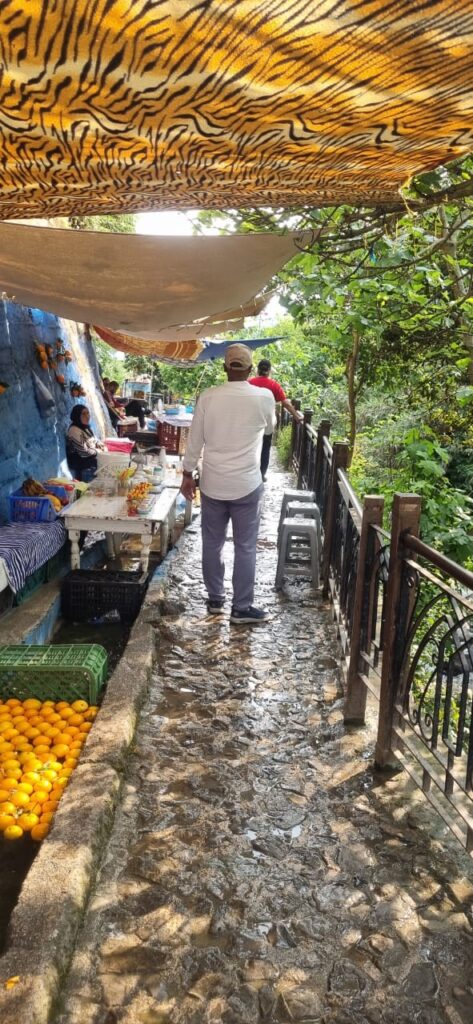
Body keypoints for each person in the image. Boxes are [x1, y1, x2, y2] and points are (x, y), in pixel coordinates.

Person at [180, 343, 276, 624]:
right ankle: (242, 607)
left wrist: (187, 474)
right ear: (250, 368)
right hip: (247, 484)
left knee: (212, 543)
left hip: (213, 483)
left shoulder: (208, 397)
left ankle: (215, 600)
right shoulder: (264, 396)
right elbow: (269, 429)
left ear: (225, 367)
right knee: (245, 546)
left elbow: (195, 440)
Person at [249, 358, 303, 480]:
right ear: (269, 371)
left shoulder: (250, 383)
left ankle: (250, 473)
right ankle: (261, 475)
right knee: (265, 448)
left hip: (251, 422)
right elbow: (286, 403)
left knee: (251, 447)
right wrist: (296, 416)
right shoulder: (274, 385)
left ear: (257, 370)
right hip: (267, 423)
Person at [66, 405, 105, 481]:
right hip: (84, 469)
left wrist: (98, 443)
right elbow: (84, 453)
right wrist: (98, 451)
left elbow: (94, 439)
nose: (87, 416)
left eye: (88, 413)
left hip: (92, 466)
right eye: (83, 414)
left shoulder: (85, 427)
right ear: (77, 415)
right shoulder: (74, 430)